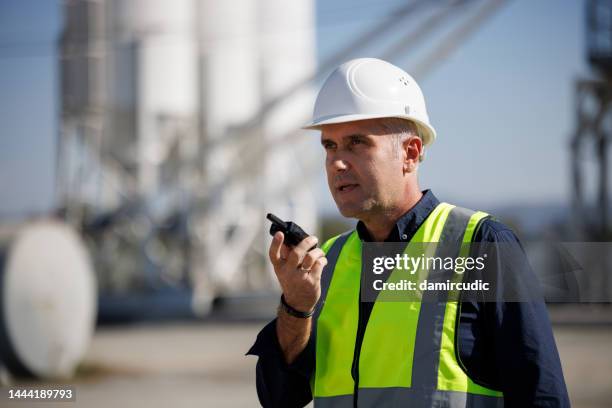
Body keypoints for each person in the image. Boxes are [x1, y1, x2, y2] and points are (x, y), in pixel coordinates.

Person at [247, 58, 569, 407]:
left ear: (410, 154)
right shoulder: (331, 261)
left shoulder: (481, 244)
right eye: (330, 146)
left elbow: (542, 395)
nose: (338, 162)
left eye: (356, 143)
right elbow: (280, 397)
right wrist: (296, 306)